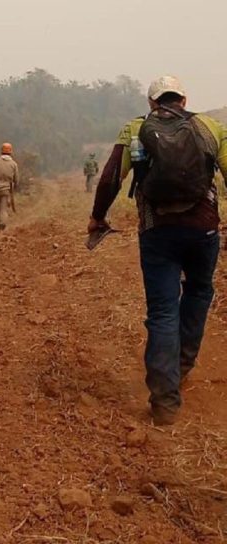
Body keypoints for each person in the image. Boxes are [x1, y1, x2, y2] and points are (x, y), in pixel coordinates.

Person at [88, 75, 227, 426]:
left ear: (152, 103)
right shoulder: (211, 126)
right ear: (184, 98)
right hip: (204, 229)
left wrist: (97, 218)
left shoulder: (136, 129)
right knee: (198, 290)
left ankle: (165, 402)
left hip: (157, 231)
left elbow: (109, 179)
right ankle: (182, 364)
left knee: (163, 310)